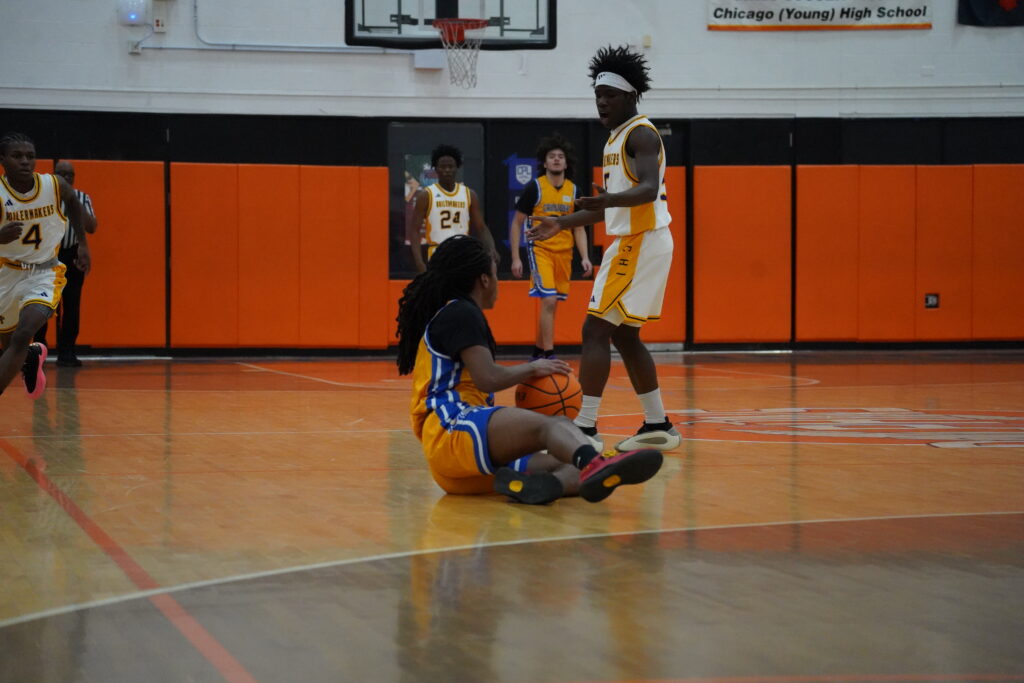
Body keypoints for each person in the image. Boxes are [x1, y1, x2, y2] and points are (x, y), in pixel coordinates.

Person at [396, 234, 662, 505]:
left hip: (454, 469)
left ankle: (544, 485)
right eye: (495, 274)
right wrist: (533, 368)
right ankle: (596, 463)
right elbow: (488, 378)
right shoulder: (461, 312)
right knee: (554, 425)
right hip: (452, 429)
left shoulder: (449, 314)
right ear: (484, 280)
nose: (497, 282)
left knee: (566, 464)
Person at [526, 45, 680, 454]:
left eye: (610, 95)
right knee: (624, 335)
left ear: (630, 95)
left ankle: (586, 428)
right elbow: (605, 206)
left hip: (641, 240)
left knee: (595, 330)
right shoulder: (615, 140)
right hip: (635, 241)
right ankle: (659, 424)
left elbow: (647, 189)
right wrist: (561, 222)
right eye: (598, 95)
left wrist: (609, 200)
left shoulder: (641, 134)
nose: (602, 102)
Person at [0, 132, 91, 399]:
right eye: (17, 156)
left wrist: (83, 243)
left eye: (30, 156)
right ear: (3, 160)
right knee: (9, 344)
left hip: (45, 272)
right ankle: (30, 356)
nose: (25, 161)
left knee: (24, 332)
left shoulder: (54, 185)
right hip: (7, 273)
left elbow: (73, 202)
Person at [509, 133, 593, 360]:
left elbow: (579, 228)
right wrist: (516, 257)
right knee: (548, 300)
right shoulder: (535, 188)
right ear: (544, 163)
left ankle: (538, 351)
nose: (556, 159)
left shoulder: (574, 191)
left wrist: (585, 257)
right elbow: (516, 224)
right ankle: (549, 353)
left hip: (564, 253)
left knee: (552, 304)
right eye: (552, 156)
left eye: (560, 156)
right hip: (540, 251)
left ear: (566, 164)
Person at [34, 160, 97, 367]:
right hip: (47, 255)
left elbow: (91, 227)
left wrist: (75, 202)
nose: (66, 178)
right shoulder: (42, 197)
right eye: (62, 174)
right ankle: (39, 349)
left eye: (70, 175)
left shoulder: (82, 197)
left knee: (71, 305)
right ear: (54, 176)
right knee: (43, 304)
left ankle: (67, 351)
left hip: (72, 255)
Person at [407, 144, 496, 273]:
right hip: (438, 252)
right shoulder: (426, 195)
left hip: (462, 253)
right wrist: (419, 262)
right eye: (443, 167)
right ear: (436, 169)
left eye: (450, 166)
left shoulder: (469, 194)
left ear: (457, 168)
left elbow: (481, 227)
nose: (447, 170)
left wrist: (491, 248)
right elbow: (414, 231)